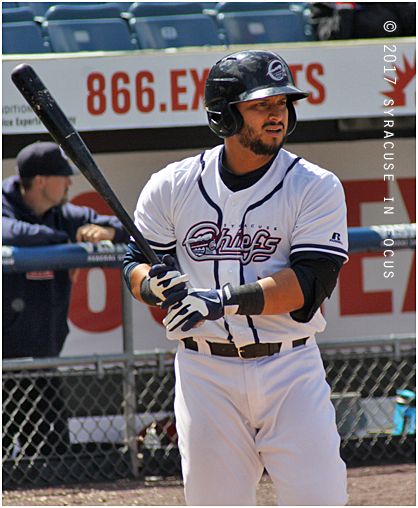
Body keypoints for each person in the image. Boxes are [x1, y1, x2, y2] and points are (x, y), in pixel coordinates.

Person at [123, 50, 349, 505]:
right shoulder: (172, 185)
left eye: (282, 104)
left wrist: (219, 301)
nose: (277, 115)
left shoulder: (315, 185)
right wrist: (153, 286)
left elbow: (309, 285)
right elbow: (135, 263)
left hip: (290, 369)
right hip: (205, 372)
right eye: (261, 105)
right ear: (225, 114)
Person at [3, 141, 130, 457]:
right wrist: (65, 244)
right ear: (42, 181)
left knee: (54, 455)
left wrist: (107, 234)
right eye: (63, 176)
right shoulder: (6, 205)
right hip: (1, 365)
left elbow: (126, 228)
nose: (70, 183)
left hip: (43, 360)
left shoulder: (65, 213)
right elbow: (9, 233)